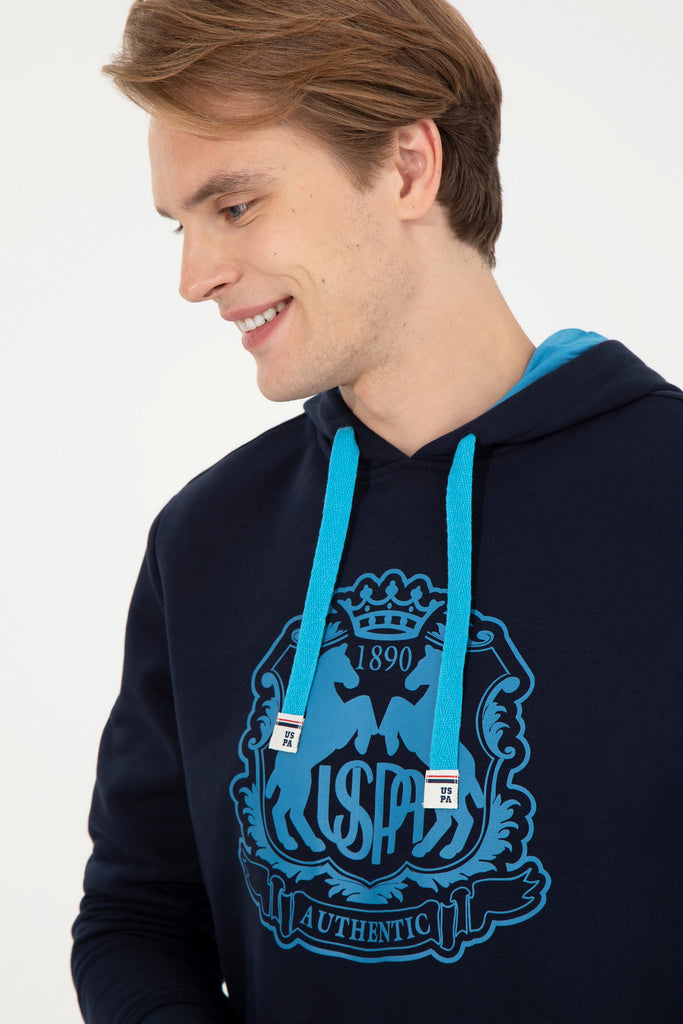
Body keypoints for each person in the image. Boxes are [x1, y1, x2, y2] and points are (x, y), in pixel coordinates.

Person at [72, 1, 683, 1022]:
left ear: (406, 166)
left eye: (234, 206)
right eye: (182, 225)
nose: (193, 277)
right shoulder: (204, 539)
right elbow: (137, 916)